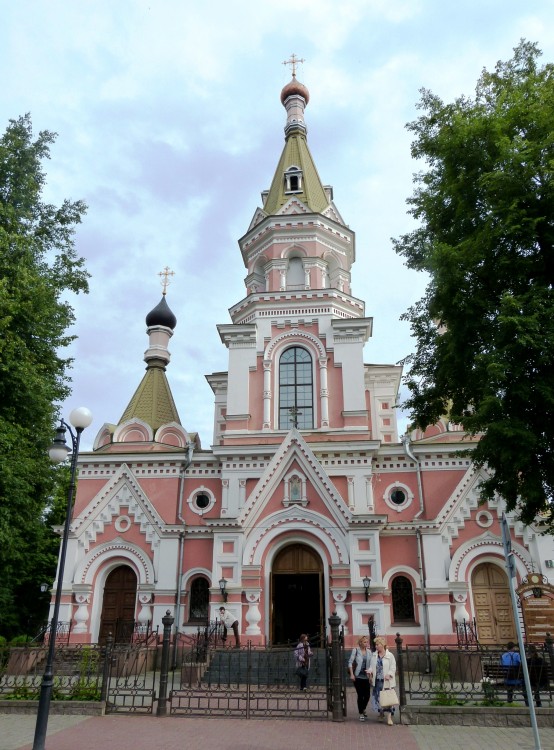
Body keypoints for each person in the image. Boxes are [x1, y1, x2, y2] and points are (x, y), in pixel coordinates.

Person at [367, 635, 397, 725]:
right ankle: (381, 714)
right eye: (375, 645)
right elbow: (372, 666)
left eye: (378, 644)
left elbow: (393, 667)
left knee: (388, 699)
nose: (376, 646)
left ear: (382, 645)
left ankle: (389, 717)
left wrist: (390, 674)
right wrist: (370, 671)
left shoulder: (390, 655)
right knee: (379, 698)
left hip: (387, 681)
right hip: (378, 680)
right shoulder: (374, 655)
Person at [348, 634, 371, 721]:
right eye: (365, 642)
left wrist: (370, 675)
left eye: (367, 642)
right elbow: (350, 662)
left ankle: (363, 708)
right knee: (360, 695)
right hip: (357, 677)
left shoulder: (369, 652)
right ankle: (361, 712)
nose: (366, 643)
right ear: (360, 643)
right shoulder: (356, 650)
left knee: (367, 695)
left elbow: (371, 664)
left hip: (366, 677)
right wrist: (352, 674)